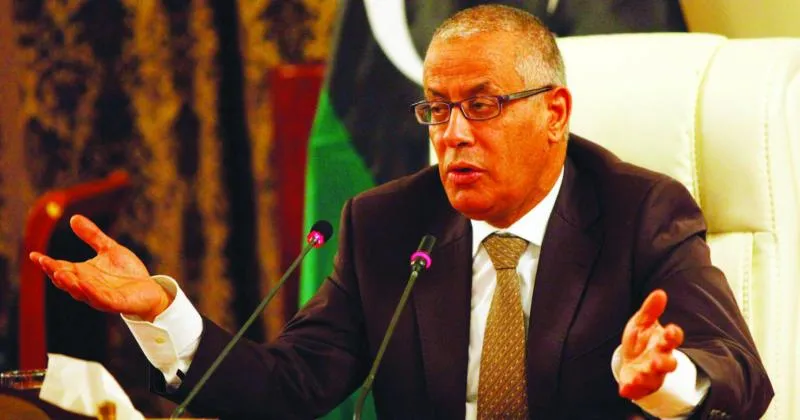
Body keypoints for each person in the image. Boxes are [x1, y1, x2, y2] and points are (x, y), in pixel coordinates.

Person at [30, 5, 772, 419]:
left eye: (482, 106)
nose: (452, 136)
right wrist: (162, 311)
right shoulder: (386, 225)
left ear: (555, 113)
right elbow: (289, 385)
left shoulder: (640, 211)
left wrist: (665, 380)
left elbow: (740, 374)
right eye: (437, 109)